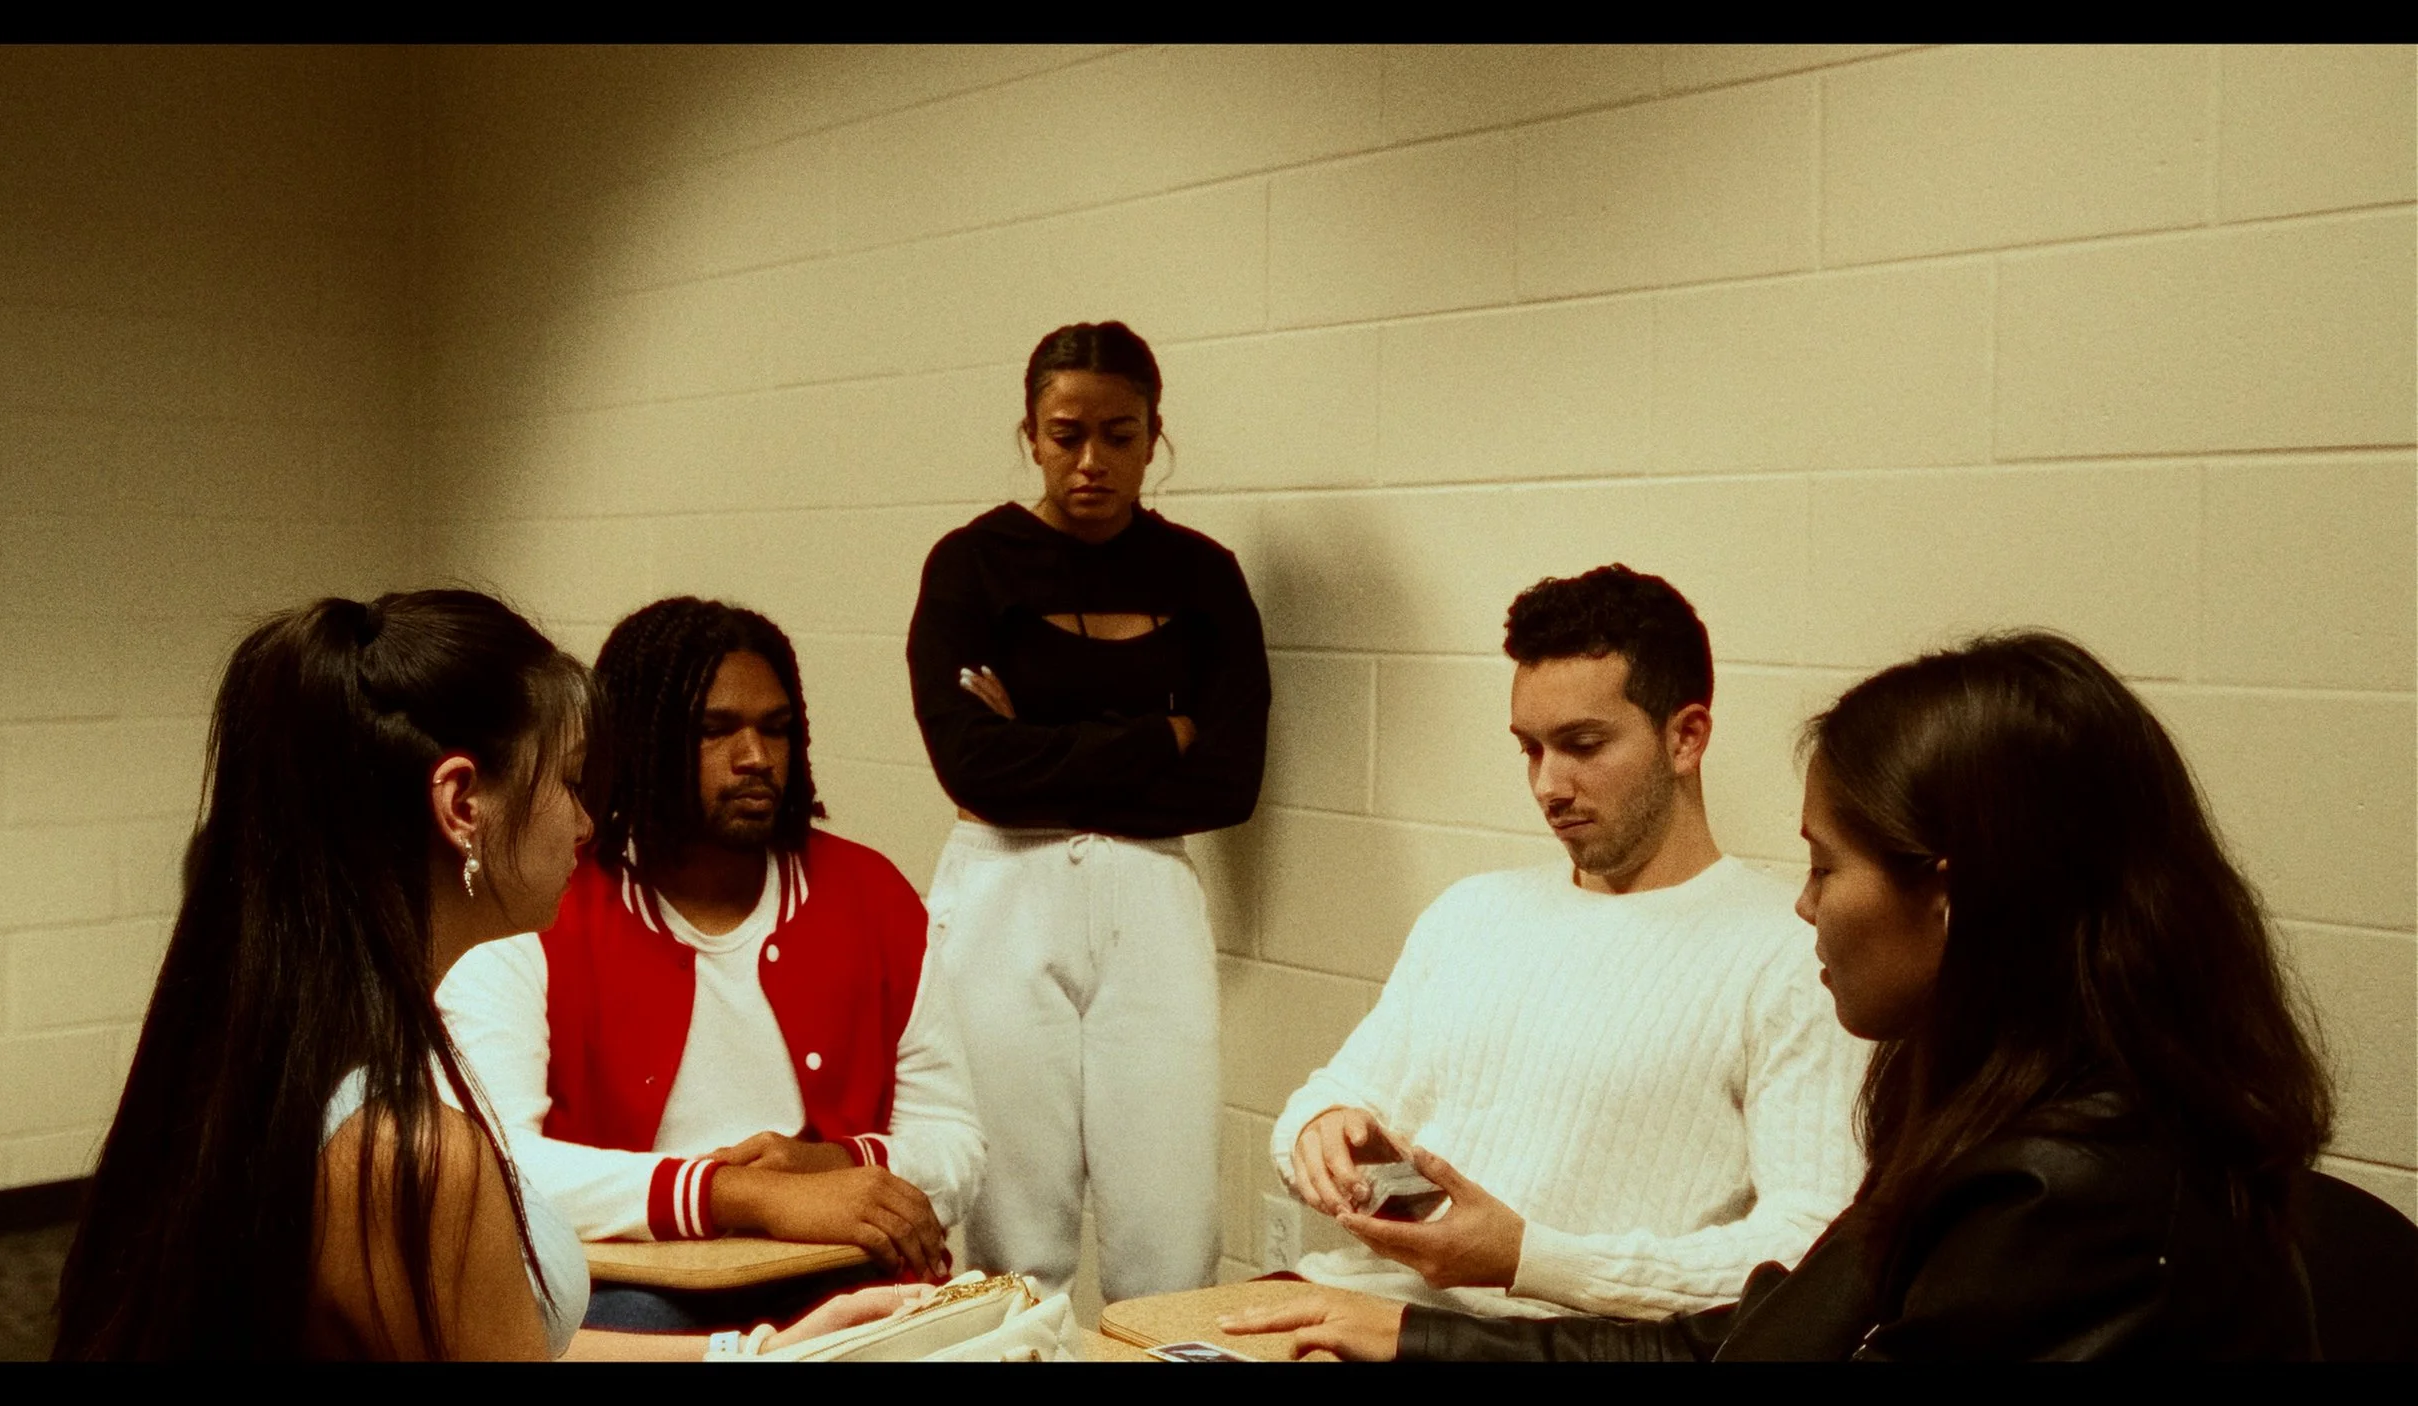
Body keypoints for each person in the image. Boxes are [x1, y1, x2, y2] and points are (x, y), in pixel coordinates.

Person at [1227, 631, 2334, 1360]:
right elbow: (1760, 1336)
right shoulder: (1985, 1112)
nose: (1804, 907)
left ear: (1950, 896)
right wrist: (1419, 1335)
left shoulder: (2067, 1198)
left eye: (1825, 865)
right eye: (1528, 747)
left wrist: (1517, 1263)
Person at [54, 591, 915, 1359]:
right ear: (463, 803)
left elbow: (509, 1341)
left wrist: (758, 1355)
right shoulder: (409, 1153)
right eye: (572, 781)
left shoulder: (297, 1047)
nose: (587, 820)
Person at [1268, 566, 1869, 1322]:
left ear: (1686, 738)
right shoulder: (1473, 913)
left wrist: (1530, 1259)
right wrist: (1322, 1137)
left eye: (1583, 745)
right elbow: (1330, 1099)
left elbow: (1806, 1251)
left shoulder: (1791, 951)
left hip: (1561, 1342)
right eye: (1530, 749)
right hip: (1368, 1306)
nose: (1549, 785)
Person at [440, 596, 982, 1329]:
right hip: (628, 1291)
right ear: (637, 743)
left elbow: (956, 1146)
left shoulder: (870, 894)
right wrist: (733, 1191)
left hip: (837, 1270)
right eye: (715, 731)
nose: (756, 757)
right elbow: (497, 1163)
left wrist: (837, 1164)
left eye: (777, 729)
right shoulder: (539, 904)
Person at [904, 320, 1271, 1301]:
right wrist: (1159, 733)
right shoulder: (971, 565)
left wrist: (1041, 739)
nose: (1092, 461)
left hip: (1152, 891)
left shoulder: (1203, 576)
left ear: (1155, 435)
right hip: (1002, 887)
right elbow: (974, 767)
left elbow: (1230, 782)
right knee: (1014, 1218)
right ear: (1029, 430)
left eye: (1119, 433)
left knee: (1172, 1215)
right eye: (1067, 433)